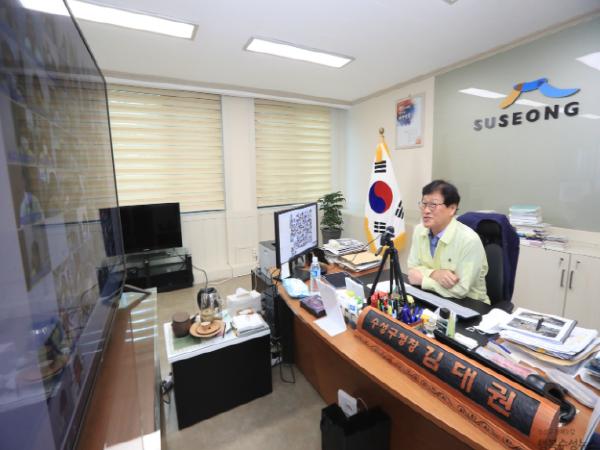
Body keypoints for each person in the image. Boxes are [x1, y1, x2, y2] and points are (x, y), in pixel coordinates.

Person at [407, 180, 489, 304]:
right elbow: (412, 270)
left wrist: (424, 280)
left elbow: (461, 290)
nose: (426, 210)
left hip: (469, 304)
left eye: (433, 205)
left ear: (452, 209)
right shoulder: (419, 230)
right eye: (424, 204)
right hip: (432, 297)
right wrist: (435, 274)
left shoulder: (469, 240)